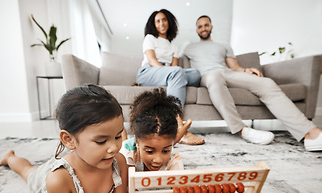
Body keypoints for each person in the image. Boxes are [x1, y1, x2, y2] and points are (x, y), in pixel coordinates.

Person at [0, 85, 130, 193]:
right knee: (28, 172)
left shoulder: (119, 162)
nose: (114, 148)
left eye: (117, 136)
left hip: (74, 161)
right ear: (69, 140)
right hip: (45, 182)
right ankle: (10, 158)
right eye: (101, 141)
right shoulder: (58, 181)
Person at [183, 15, 322, 151]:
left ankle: (309, 133)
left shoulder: (223, 46)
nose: (203, 28)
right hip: (207, 75)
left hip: (227, 72)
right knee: (215, 78)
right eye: (200, 26)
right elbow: (184, 69)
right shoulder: (189, 48)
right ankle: (242, 129)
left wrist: (246, 70)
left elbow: (235, 67)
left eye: (206, 25)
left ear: (211, 27)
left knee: (267, 83)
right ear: (196, 30)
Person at [136, 9, 205, 146]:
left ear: (169, 22)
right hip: (149, 71)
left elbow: (175, 66)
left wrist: (172, 74)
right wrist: (170, 73)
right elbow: (152, 60)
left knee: (195, 73)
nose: (161, 23)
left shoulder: (174, 46)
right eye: (158, 21)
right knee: (177, 72)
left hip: (168, 73)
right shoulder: (150, 38)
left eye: (164, 20)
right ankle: (178, 126)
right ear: (153, 24)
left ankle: (174, 82)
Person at [120, 88, 184, 172]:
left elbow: (178, 183)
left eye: (165, 151)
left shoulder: (173, 160)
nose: (158, 160)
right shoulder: (125, 155)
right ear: (137, 142)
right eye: (150, 151)